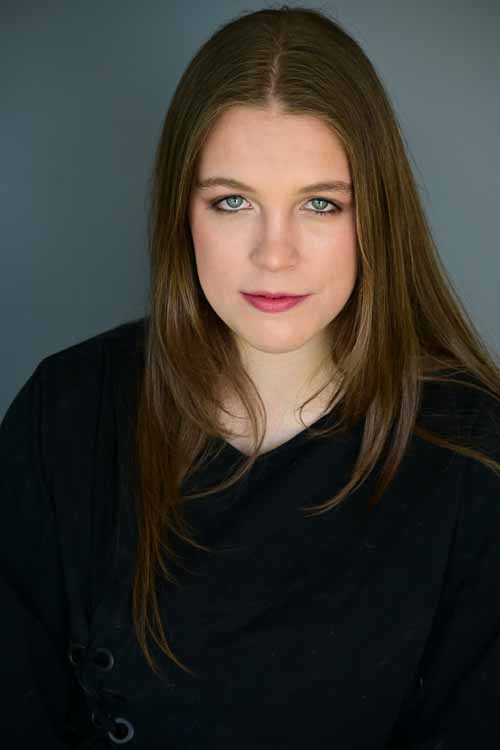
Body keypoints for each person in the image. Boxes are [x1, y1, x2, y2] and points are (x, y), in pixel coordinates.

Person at [1, 5, 500, 748]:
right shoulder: (67, 412)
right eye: (232, 201)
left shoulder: (471, 455)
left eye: (321, 204)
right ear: (183, 212)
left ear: (376, 218)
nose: (275, 253)